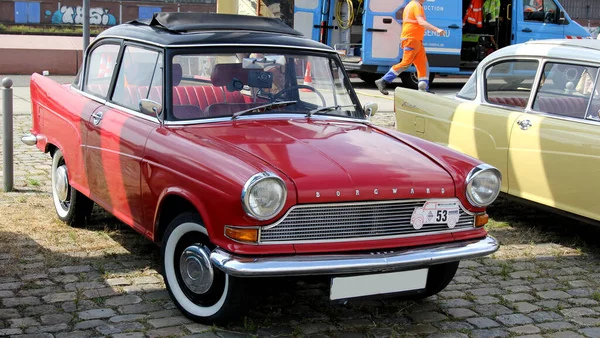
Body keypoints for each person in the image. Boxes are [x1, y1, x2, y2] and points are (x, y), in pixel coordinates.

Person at [375, 0, 446, 95]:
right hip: (412, 39)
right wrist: (437, 29)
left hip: (415, 40)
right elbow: (421, 22)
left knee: (423, 65)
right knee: (406, 63)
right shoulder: (416, 6)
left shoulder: (411, 5)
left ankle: (424, 89)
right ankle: (383, 80)